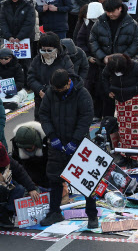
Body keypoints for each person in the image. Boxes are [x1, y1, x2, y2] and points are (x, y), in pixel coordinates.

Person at [38, 69, 97, 229]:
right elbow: (43, 114)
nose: (57, 92)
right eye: (55, 89)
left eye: (60, 89)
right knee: (55, 179)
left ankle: (92, 214)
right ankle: (54, 212)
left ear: (68, 83)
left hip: (78, 143)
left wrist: (75, 140)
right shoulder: (51, 92)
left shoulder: (82, 93)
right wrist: (52, 136)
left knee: (86, 181)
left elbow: (86, 117)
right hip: (56, 143)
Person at [102, 53, 138, 163]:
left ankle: (137, 155)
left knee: (137, 130)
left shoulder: (134, 66)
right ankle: (125, 154)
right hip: (120, 101)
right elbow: (104, 76)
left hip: (134, 99)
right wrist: (108, 90)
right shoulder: (110, 66)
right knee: (123, 129)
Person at [27, 32, 74, 120]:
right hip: (40, 99)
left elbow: (69, 77)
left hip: (59, 99)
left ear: (56, 48)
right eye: (43, 50)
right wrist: (39, 89)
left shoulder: (64, 60)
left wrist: (50, 91)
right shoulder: (37, 60)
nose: (46, 53)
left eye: (49, 50)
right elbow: (31, 78)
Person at [88, 0, 138, 65]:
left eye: (113, 11)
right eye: (108, 11)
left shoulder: (132, 24)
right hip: (104, 65)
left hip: (126, 64)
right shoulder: (100, 23)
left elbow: (136, 43)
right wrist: (103, 57)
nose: (110, 14)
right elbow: (93, 41)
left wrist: (122, 58)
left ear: (120, 8)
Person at [0, 143, 39, 228]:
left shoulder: (8, 159)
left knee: (19, 189)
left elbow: (20, 172)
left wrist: (31, 188)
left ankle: (8, 213)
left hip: (5, 185)